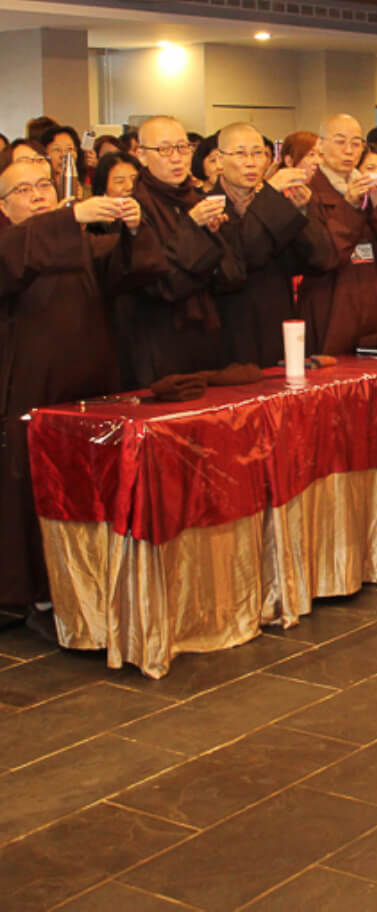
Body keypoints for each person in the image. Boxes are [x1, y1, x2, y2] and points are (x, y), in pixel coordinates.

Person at [0, 157, 164, 612]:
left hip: (91, 381)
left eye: (44, 186)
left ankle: (95, 580)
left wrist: (133, 230)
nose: (37, 195)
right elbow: (15, 259)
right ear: (3, 206)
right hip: (31, 384)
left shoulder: (79, 244)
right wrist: (67, 216)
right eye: (23, 190)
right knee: (31, 482)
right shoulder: (13, 243)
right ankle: (37, 590)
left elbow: (136, 275)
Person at [123, 115, 243, 387]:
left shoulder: (196, 198)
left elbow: (231, 275)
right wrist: (192, 226)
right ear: (141, 155)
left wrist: (213, 233)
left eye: (183, 148)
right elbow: (156, 281)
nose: (177, 158)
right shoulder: (134, 208)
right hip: (158, 334)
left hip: (205, 331)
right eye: (165, 150)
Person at [211, 122, 330, 366]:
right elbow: (242, 257)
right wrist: (269, 194)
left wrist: (303, 211)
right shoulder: (207, 206)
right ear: (219, 160)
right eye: (240, 153)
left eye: (258, 153)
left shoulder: (275, 202)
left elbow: (319, 258)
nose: (251, 162)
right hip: (230, 330)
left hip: (277, 324)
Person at [297, 114, 377, 354]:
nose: (349, 150)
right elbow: (322, 256)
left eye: (356, 143)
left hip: (373, 300)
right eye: (340, 142)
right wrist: (349, 207)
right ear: (320, 145)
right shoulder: (307, 191)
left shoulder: (371, 187)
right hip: (329, 304)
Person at [39, 125, 87, 202]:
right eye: (56, 149)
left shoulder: (88, 191)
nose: (63, 155)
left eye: (69, 149)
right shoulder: (40, 193)